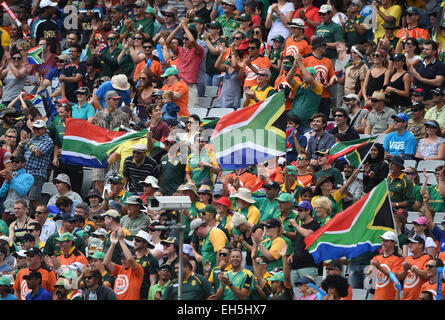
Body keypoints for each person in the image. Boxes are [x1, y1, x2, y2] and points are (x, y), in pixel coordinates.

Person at [19, 119, 54, 211]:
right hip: (25, 173)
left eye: (38, 129)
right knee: (24, 200)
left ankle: (42, 218)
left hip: (37, 173)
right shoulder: (32, 139)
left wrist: (27, 141)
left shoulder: (48, 141)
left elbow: (37, 153)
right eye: (34, 128)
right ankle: (31, 219)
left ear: (44, 129)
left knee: (34, 199)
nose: (36, 130)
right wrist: (21, 144)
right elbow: (20, 153)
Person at [104, 227, 144, 300]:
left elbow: (130, 258)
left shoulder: (138, 269)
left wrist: (121, 240)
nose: (123, 261)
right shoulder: (120, 269)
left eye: (124, 259)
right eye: (122, 259)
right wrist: (113, 244)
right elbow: (106, 262)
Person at [370, 231, 404, 300]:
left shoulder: (398, 259)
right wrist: (371, 267)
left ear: (393, 243)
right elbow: (369, 273)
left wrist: (379, 267)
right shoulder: (377, 258)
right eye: (382, 241)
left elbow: (394, 276)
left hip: (390, 297)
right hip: (377, 296)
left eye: (386, 241)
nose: (383, 243)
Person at [411, 40, 445, 106]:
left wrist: (421, 78)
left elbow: (438, 82)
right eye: (423, 49)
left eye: (427, 49)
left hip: (431, 101)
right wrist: (414, 75)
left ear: (434, 51)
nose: (424, 51)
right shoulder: (420, 64)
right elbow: (415, 83)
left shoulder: (440, 65)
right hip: (418, 101)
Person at [133, 230, 159, 300]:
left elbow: (152, 282)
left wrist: (149, 297)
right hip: (130, 294)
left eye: (138, 240)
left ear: (145, 243)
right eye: (135, 239)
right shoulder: (131, 257)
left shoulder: (151, 260)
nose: (134, 242)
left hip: (143, 295)